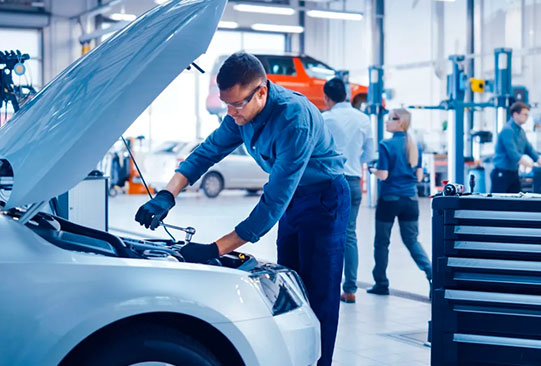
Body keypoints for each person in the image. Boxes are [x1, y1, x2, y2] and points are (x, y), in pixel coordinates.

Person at [135, 52, 350, 366]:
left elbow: (272, 204)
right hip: (295, 199)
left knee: (320, 293)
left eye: (236, 105)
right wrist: (167, 194)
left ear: (261, 92)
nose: (230, 112)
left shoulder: (294, 119)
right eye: (226, 104)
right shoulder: (241, 113)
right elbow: (207, 152)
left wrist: (214, 249)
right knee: (290, 286)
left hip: (324, 199)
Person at [367, 108, 432, 296]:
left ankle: (381, 283)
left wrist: (372, 171)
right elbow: (419, 176)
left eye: (390, 119)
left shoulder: (386, 144)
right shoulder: (414, 145)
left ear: (400, 122)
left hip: (390, 200)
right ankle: (432, 274)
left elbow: (384, 175)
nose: (386, 122)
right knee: (412, 241)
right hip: (410, 200)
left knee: (381, 242)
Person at [322, 77, 374, 304]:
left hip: (330, 182)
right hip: (354, 181)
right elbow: (369, 156)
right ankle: (350, 289)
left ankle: (327, 286)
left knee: (326, 234)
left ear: (326, 97)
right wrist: (354, 161)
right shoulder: (363, 120)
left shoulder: (324, 119)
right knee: (349, 234)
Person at [491, 102, 541, 193]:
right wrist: (530, 164)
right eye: (524, 114)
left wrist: (538, 159)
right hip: (502, 174)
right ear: (515, 114)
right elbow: (512, 153)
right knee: (498, 204)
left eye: (527, 115)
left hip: (513, 173)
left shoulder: (521, 131)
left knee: (515, 202)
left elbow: (528, 149)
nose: (526, 117)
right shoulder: (507, 130)